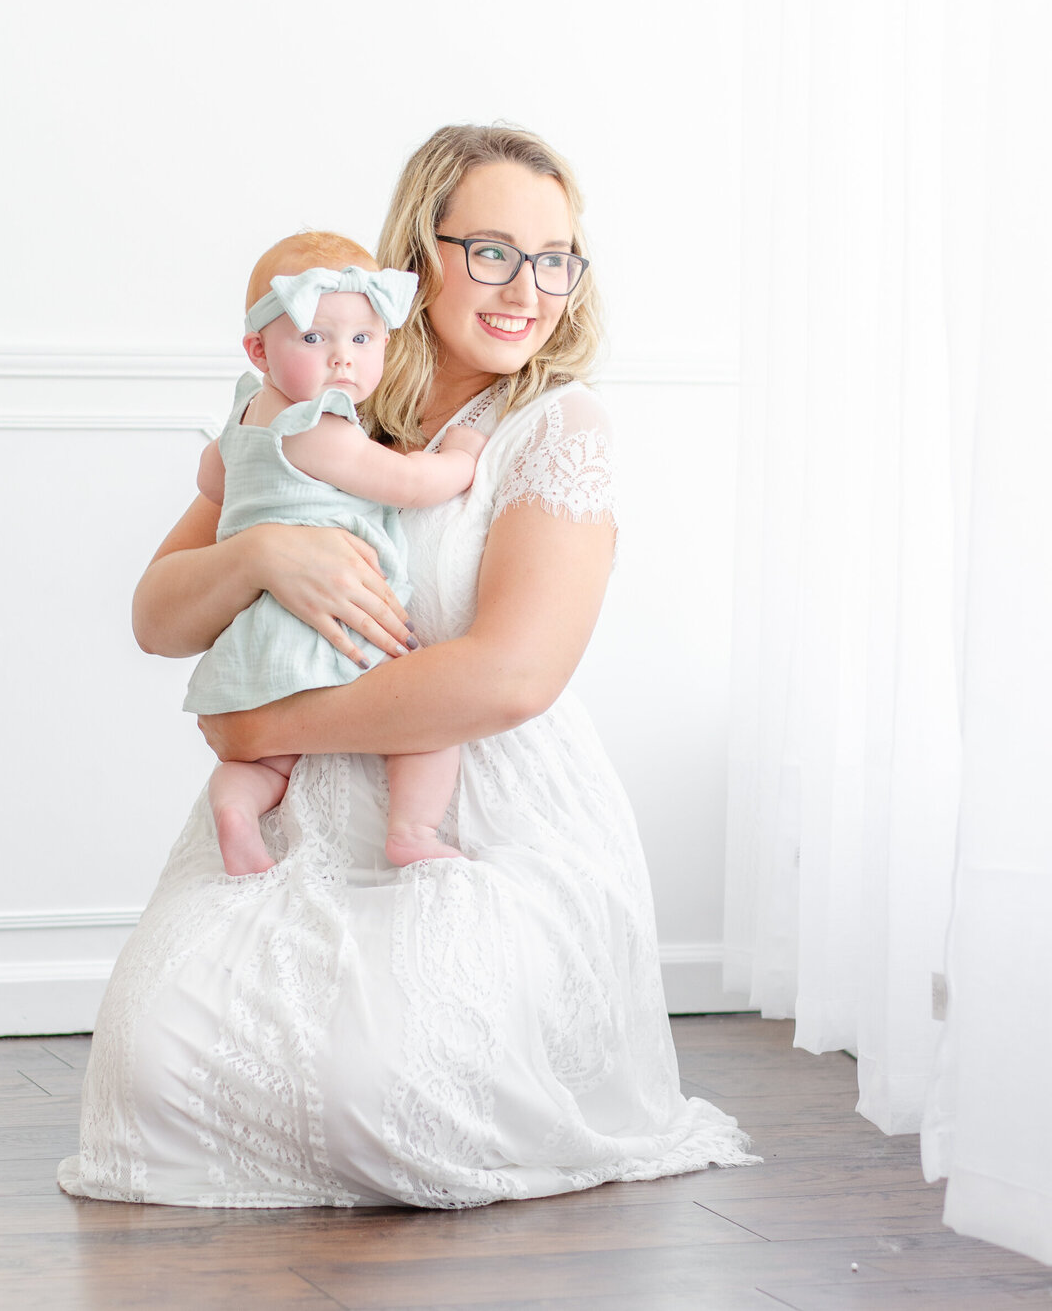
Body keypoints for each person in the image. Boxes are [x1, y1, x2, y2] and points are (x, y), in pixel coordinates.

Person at [58, 123, 758, 1209]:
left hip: (474, 810)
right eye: (492, 251)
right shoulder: (316, 399)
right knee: (149, 1072)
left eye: (556, 257)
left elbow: (509, 678)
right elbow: (157, 616)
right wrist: (259, 549)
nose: (529, 287)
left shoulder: (550, 425)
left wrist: (262, 729)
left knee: (378, 1090)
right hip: (301, 811)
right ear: (415, 257)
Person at [186, 230, 485, 875]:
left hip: (266, 623)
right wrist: (459, 458)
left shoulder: (247, 413)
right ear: (259, 350)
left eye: (362, 339)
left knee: (264, 763)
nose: (342, 361)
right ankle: (411, 828)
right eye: (315, 339)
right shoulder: (317, 425)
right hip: (335, 622)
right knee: (429, 723)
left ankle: (237, 811)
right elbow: (407, 486)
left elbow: (212, 481)